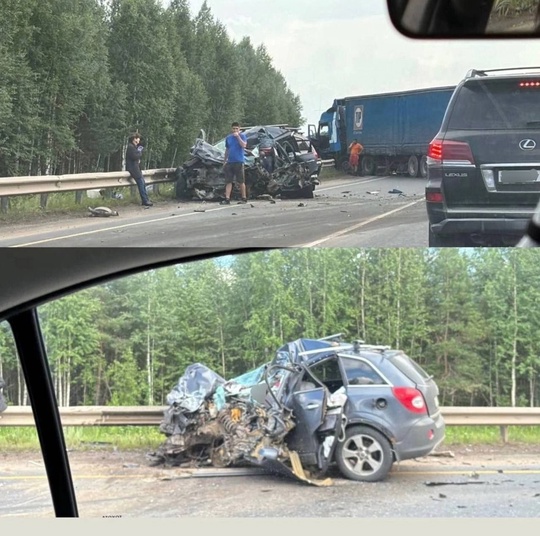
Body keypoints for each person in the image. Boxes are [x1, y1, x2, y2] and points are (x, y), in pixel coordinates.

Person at [220, 122, 248, 204]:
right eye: (234, 128)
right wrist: (224, 161)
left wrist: (238, 137)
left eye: (237, 128)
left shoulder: (242, 136)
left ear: (239, 129)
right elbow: (227, 150)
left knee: (241, 181)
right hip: (230, 162)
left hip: (239, 161)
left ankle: (244, 198)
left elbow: (244, 145)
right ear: (231, 129)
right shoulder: (228, 138)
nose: (235, 130)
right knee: (228, 181)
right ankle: (227, 199)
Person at [126, 132, 153, 207]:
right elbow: (135, 156)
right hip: (133, 168)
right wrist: (139, 152)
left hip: (135, 168)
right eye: (138, 139)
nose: (139, 140)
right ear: (134, 139)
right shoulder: (131, 147)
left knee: (142, 183)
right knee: (141, 183)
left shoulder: (133, 147)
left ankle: (146, 199)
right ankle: (145, 200)